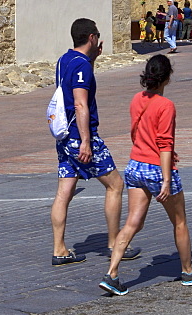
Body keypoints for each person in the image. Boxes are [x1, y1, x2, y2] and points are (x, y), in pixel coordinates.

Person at [99, 54, 192, 294]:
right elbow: (165, 144)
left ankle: (112, 274)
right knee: (180, 222)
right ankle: (188, 271)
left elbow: (138, 133)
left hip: (134, 165)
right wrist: (165, 178)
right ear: (167, 77)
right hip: (156, 168)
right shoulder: (166, 106)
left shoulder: (135, 100)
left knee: (133, 222)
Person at [50, 17, 141, 266]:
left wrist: (94, 59)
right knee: (115, 185)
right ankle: (113, 243)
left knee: (64, 192)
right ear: (92, 37)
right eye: (97, 35)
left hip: (64, 136)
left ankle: (59, 249)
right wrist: (87, 142)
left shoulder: (64, 60)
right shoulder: (82, 66)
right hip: (80, 136)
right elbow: (80, 103)